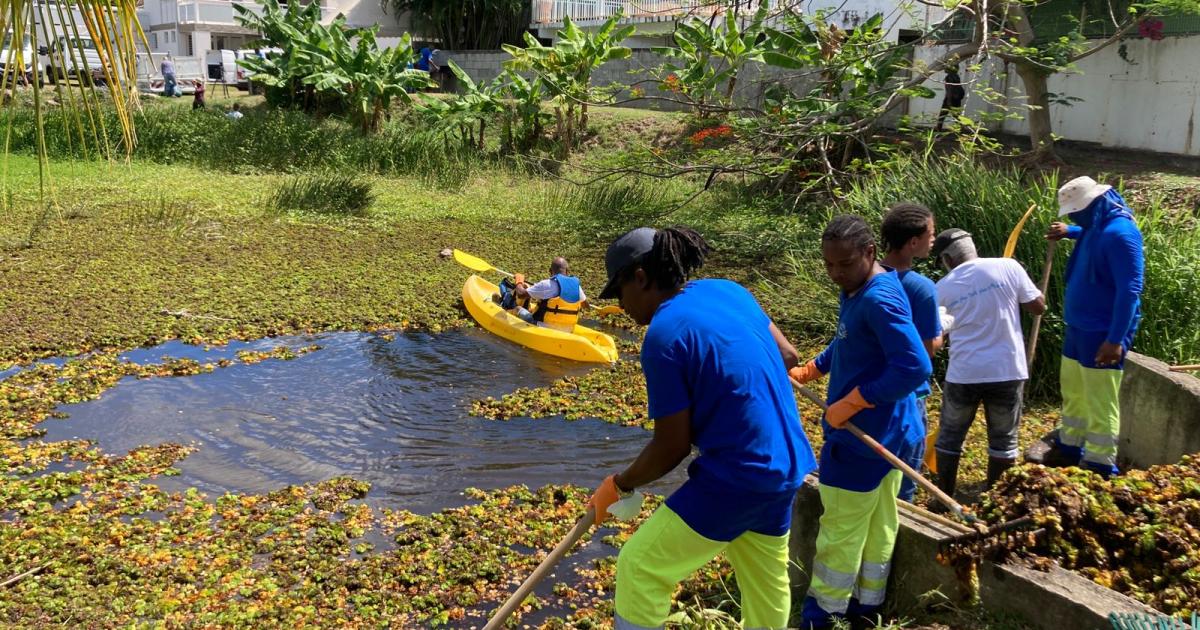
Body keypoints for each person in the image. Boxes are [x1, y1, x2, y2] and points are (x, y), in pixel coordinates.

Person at [586, 226, 816, 630]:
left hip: (740, 474)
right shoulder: (728, 290)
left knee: (640, 566)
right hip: (787, 464)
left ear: (639, 278)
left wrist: (620, 484)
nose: (620, 306)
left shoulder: (663, 334)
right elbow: (788, 354)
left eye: (618, 293)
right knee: (766, 579)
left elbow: (671, 446)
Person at [791, 215, 931, 629]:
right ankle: (867, 607)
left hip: (866, 439)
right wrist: (814, 369)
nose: (836, 273)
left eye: (845, 264)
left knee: (840, 529)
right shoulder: (866, 285)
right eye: (829, 265)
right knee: (879, 519)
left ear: (870, 252)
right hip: (897, 430)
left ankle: (824, 615)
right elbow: (851, 338)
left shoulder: (878, 298)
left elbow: (914, 366)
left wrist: (851, 402)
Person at [930, 228, 1045, 499]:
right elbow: (1038, 306)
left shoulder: (940, 288)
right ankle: (996, 498)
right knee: (1004, 439)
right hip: (1007, 370)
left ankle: (943, 497)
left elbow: (937, 335)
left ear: (947, 259)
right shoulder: (1009, 267)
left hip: (964, 373)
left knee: (950, 436)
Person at [1040, 176, 1144, 478]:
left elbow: (1130, 290)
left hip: (1101, 330)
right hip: (1078, 324)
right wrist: (1069, 231)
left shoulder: (1121, 234)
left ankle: (1099, 463)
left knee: (1100, 397)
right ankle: (1070, 445)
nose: (1073, 217)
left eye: (1075, 213)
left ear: (1093, 205)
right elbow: (1088, 233)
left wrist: (1115, 339)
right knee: (1072, 386)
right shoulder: (1096, 225)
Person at [879, 202, 942, 502]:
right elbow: (927, 351)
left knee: (873, 479)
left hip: (869, 392)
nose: (934, 238)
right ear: (913, 241)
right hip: (908, 396)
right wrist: (943, 331)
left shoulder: (865, 278)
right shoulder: (921, 288)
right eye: (931, 233)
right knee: (903, 485)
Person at [496, 257, 588, 333]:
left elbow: (520, 294)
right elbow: (585, 306)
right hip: (568, 330)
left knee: (518, 309)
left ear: (550, 271)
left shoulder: (546, 284)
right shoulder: (577, 287)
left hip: (544, 328)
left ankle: (502, 315)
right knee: (532, 308)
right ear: (567, 271)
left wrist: (519, 281)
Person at [935, 64, 965, 132]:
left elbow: (949, 89)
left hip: (951, 98)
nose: (944, 69)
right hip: (957, 98)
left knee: (942, 115)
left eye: (946, 67)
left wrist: (948, 100)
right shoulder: (956, 76)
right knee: (956, 115)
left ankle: (938, 131)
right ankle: (961, 130)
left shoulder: (949, 77)